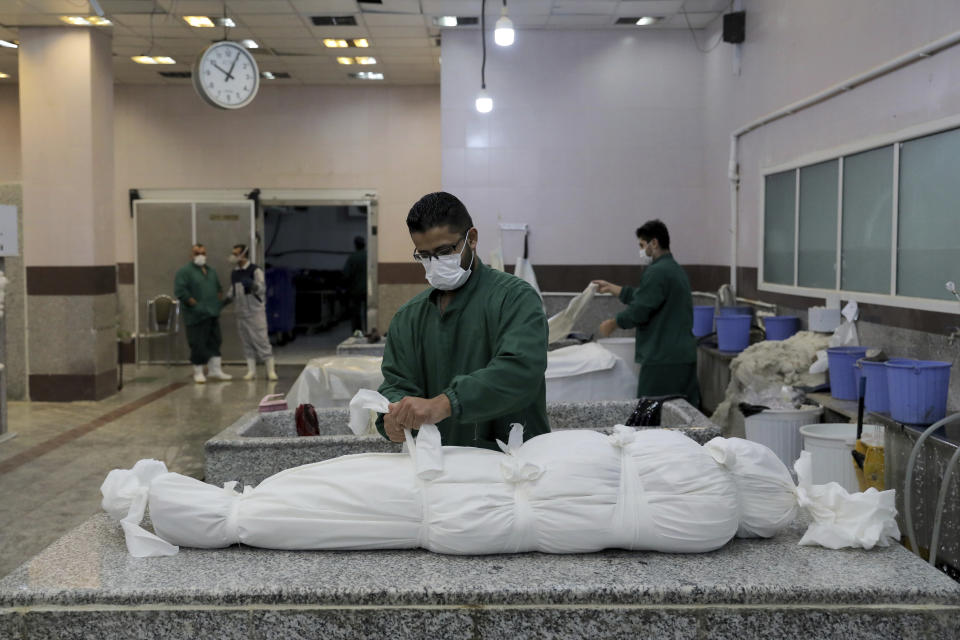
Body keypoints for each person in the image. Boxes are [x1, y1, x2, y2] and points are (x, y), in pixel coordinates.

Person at [376, 192, 550, 450]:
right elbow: (396, 384)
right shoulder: (408, 318)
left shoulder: (515, 299)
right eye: (424, 255)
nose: (435, 263)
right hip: (441, 464)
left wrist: (446, 403)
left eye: (444, 251)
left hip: (513, 463)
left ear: (473, 239)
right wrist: (390, 418)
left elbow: (520, 371)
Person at [593, 219, 700, 407]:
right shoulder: (673, 269)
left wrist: (614, 322)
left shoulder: (657, 271)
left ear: (654, 243)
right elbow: (647, 297)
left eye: (642, 245)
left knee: (651, 416)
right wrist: (613, 288)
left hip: (663, 359)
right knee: (686, 415)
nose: (641, 251)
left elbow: (640, 310)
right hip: (682, 356)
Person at [174, 244, 232, 384]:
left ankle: (215, 370)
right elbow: (181, 291)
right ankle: (198, 372)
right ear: (191, 255)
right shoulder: (185, 272)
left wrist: (217, 304)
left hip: (212, 313)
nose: (200, 256)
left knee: (215, 341)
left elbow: (218, 288)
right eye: (197, 253)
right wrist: (195, 305)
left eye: (203, 253)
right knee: (198, 343)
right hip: (196, 316)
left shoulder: (210, 271)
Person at [226, 244, 278, 381]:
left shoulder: (255, 271)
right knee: (246, 342)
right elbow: (232, 292)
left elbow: (262, 289)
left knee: (261, 340)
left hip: (255, 312)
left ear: (244, 254)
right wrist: (224, 301)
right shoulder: (234, 273)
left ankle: (270, 371)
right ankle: (251, 371)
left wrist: (253, 285)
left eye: (236, 253)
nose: (233, 256)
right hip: (241, 312)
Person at [342, 236, 367, 333]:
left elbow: (346, 274)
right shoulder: (368, 256)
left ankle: (357, 332)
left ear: (355, 245)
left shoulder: (352, 258)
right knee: (366, 311)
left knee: (356, 312)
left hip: (355, 290)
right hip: (367, 290)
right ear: (364, 245)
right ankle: (368, 330)